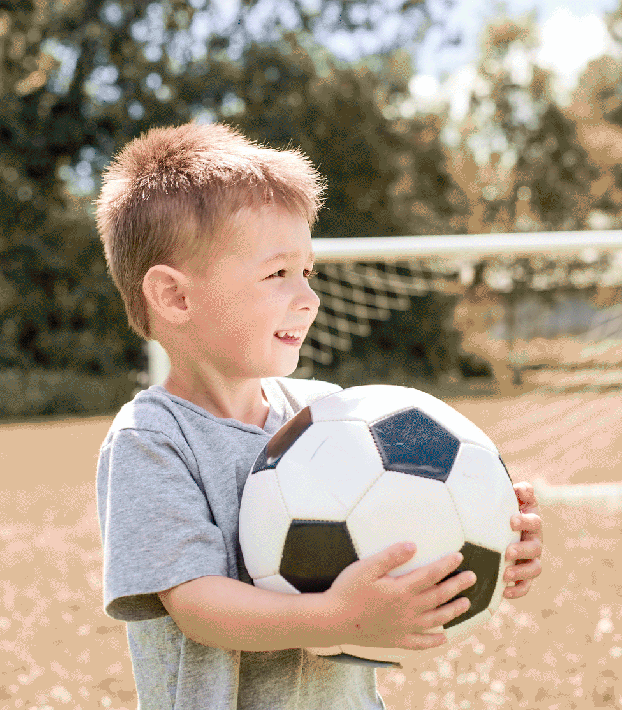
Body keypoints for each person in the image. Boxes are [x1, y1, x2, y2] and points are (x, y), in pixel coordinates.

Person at [93, 121, 544, 709]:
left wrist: (495, 536)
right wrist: (332, 617)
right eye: (277, 273)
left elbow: (407, 514)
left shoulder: (326, 414)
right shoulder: (151, 439)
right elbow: (198, 605)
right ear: (176, 297)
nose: (309, 298)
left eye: (307, 272)